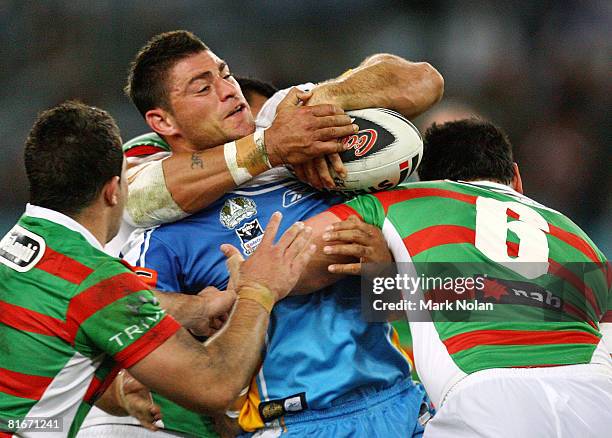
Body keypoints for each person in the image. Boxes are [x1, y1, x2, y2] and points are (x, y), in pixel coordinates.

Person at [88, 30, 443, 437]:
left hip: (400, 401)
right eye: (203, 87)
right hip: (293, 423)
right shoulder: (163, 231)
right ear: (162, 121)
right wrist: (202, 309)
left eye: (225, 74)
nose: (227, 90)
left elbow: (423, 82)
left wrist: (385, 268)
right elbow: (116, 327)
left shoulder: (314, 158)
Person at [0, 101, 316, 438]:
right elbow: (214, 384)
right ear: (112, 191)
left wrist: (200, 308)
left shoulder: (19, 247)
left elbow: (73, 319)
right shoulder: (97, 280)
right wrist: (259, 289)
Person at [311, 118, 612, 437]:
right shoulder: (578, 236)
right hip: (596, 396)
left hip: (485, 399)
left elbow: (287, 246)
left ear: (426, 181)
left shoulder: (402, 202)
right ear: (517, 178)